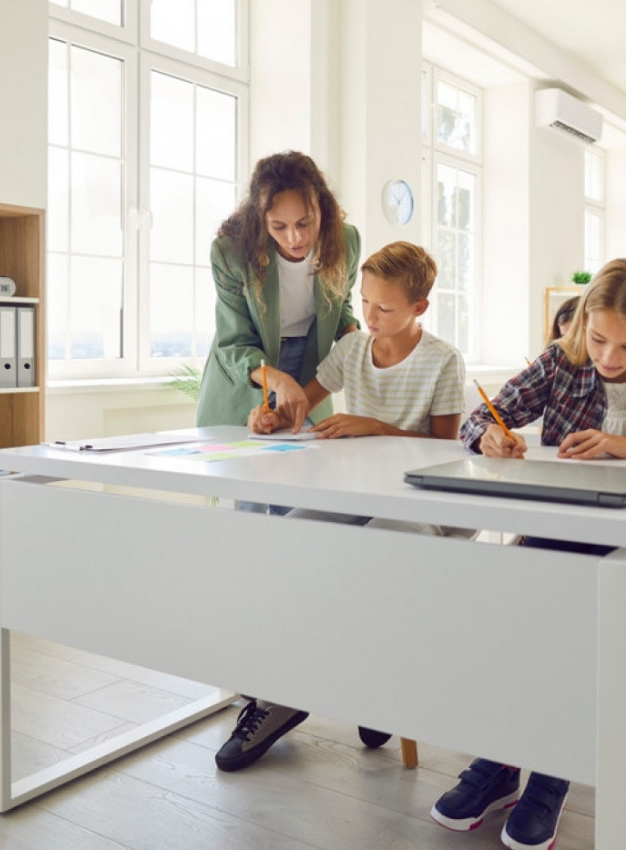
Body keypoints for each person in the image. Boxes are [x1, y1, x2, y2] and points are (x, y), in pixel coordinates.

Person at [431, 258, 626, 850]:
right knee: (523, 602)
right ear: (583, 325)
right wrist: (490, 435)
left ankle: (542, 767)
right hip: (558, 533)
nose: (608, 357)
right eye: (599, 339)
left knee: (557, 602)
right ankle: (508, 760)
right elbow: (479, 415)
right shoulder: (562, 359)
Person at [215, 241, 468, 773]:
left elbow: (448, 452)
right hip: (359, 493)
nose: (370, 317)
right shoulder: (353, 349)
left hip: (426, 501)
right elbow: (300, 404)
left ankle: (374, 684)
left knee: (374, 557)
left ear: (419, 308)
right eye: (365, 302)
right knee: (295, 546)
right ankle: (286, 694)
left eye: (385, 308)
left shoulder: (442, 359)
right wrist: (270, 417)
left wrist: (376, 427)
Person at [196, 150, 360, 432]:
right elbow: (234, 341)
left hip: (310, 368)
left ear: (322, 207)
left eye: (304, 223)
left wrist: (357, 343)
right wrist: (280, 380)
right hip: (250, 373)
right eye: (279, 226)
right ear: (260, 219)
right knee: (243, 466)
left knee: (306, 467)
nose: (294, 238)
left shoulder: (345, 240)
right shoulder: (230, 253)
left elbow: (339, 303)